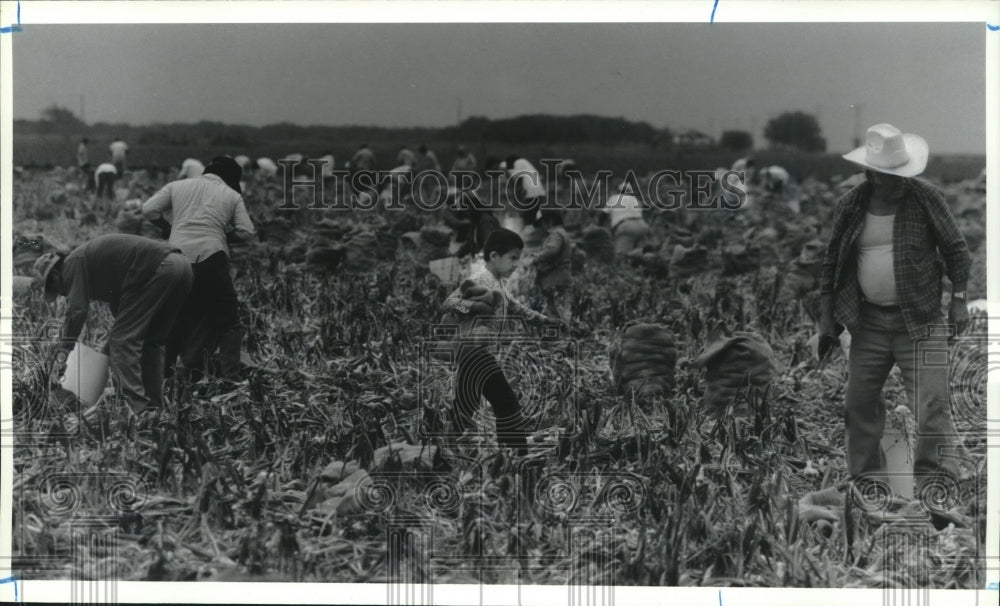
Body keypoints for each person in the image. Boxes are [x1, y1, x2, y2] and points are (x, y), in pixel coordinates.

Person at [819, 123, 972, 506]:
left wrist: (959, 299)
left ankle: (937, 489)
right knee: (859, 406)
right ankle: (869, 487)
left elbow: (956, 249)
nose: (900, 181)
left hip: (921, 322)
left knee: (932, 406)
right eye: (891, 176)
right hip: (868, 322)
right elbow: (831, 262)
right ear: (872, 175)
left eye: (903, 173)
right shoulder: (851, 205)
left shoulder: (925, 197)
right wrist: (826, 319)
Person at [33, 234, 193, 415]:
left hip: (158, 268)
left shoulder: (71, 264)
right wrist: (104, 356)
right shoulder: (98, 266)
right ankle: (155, 411)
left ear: (55, 274)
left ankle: (137, 411)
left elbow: (77, 310)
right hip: (181, 266)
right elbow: (125, 317)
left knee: (122, 341)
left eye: (55, 288)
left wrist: (64, 350)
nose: (61, 294)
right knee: (152, 342)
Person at [443, 228, 562, 454]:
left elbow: (515, 306)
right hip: (473, 350)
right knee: (506, 401)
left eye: (518, 258)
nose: (516, 264)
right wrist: (475, 306)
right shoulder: (479, 280)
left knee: (465, 406)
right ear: (494, 256)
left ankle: (441, 446)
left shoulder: (497, 282)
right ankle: (515, 453)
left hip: (476, 351)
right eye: (512, 258)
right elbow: (449, 303)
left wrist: (543, 320)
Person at [142, 156, 256, 387]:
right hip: (211, 257)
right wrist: (223, 235)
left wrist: (167, 228)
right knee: (229, 321)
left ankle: (165, 378)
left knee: (177, 317)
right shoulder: (231, 195)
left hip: (176, 258)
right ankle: (230, 379)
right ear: (230, 179)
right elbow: (246, 232)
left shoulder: (178, 185)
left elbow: (148, 209)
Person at [523, 210, 573, 326]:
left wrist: (535, 258)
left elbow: (552, 250)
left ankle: (562, 331)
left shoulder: (556, 234)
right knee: (560, 310)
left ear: (550, 221)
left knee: (557, 311)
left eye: (543, 223)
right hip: (559, 277)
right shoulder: (562, 233)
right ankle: (563, 330)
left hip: (555, 279)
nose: (542, 227)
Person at [604, 181, 650, 256]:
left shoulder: (614, 198)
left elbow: (603, 214)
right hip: (642, 226)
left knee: (622, 256)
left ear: (619, 191)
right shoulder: (635, 200)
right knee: (641, 255)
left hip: (627, 226)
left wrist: (600, 226)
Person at [504, 155, 546, 231]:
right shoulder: (526, 164)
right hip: (538, 193)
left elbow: (518, 179)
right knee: (532, 217)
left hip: (531, 194)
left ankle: (528, 234)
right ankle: (532, 232)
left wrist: (517, 195)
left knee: (528, 219)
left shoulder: (518, 162)